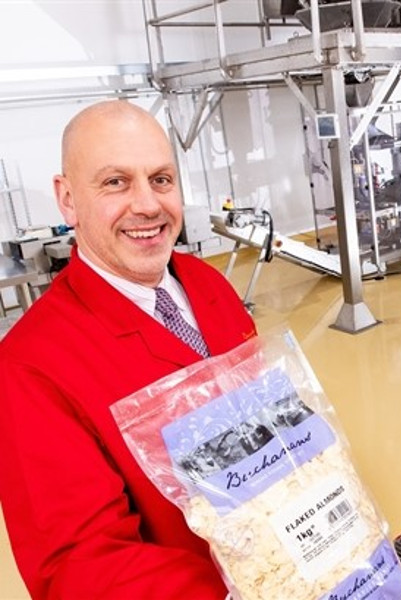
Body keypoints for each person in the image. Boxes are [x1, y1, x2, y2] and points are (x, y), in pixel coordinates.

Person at [0, 100, 257, 599]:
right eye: (115, 182)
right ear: (68, 198)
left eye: (160, 179)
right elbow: (81, 569)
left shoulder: (206, 283)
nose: (147, 205)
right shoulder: (28, 367)